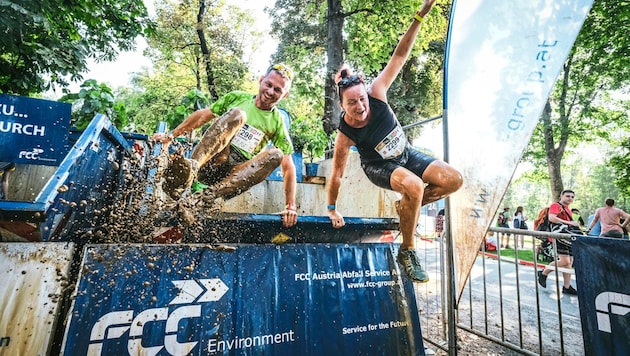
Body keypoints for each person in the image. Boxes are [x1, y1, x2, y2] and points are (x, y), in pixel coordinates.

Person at [326, 0, 463, 283]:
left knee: (453, 180)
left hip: (406, 154)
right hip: (380, 167)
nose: (360, 106)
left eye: (361, 99)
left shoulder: (376, 92)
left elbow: (399, 56)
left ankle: (406, 207)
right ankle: (408, 250)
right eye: (352, 103)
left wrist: (419, 16)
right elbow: (337, 175)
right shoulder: (345, 134)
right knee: (412, 185)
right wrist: (331, 208)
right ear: (342, 106)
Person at [151, 63, 299, 228]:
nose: (271, 92)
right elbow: (203, 116)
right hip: (212, 159)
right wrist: (171, 135)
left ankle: (206, 196)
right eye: (269, 85)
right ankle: (190, 171)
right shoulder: (238, 98)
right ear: (261, 80)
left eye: (278, 90)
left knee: (276, 154)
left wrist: (290, 206)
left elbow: (288, 166)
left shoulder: (277, 122)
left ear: (284, 95)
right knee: (237, 114)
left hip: (234, 175)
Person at [537, 190, 582, 295]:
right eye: (567, 196)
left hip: (567, 238)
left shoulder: (568, 209)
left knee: (569, 262)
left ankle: (567, 286)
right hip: (559, 237)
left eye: (572, 197)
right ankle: (544, 273)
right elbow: (552, 218)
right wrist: (570, 222)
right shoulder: (556, 205)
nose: (570, 198)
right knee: (565, 261)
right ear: (561, 196)